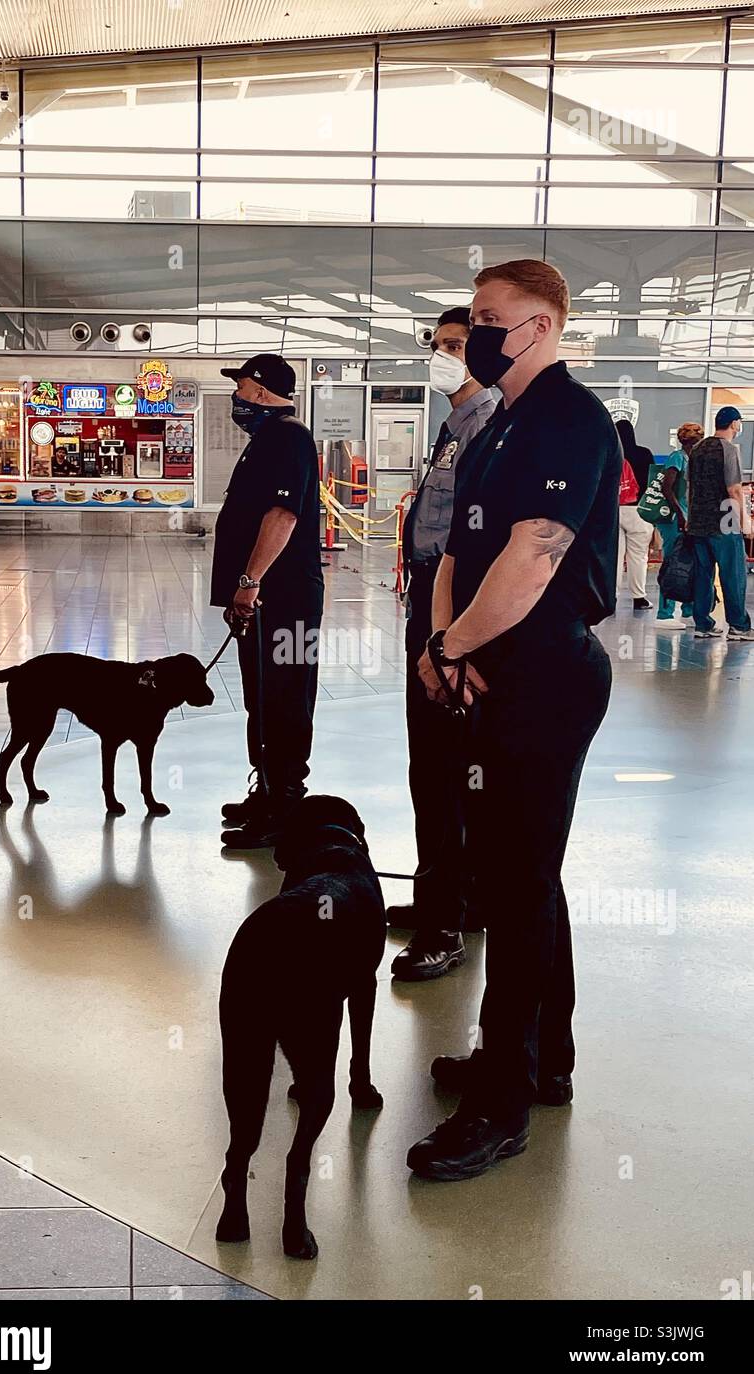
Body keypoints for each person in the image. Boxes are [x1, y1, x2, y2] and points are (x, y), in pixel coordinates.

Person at [405, 259, 619, 1182]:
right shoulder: (496, 425)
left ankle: (503, 1101)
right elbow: (459, 548)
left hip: (543, 677)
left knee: (519, 886)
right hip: (484, 668)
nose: (473, 335)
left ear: (539, 326)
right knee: (518, 877)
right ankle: (541, 1064)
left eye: (490, 320)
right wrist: (441, 639)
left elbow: (532, 562)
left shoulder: (571, 421)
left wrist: (453, 652)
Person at [390, 308, 496, 983]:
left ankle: (444, 923)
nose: (443, 357)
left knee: (442, 769)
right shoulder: (454, 427)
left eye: (456, 346)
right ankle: (454, 897)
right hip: (433, 596)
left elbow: (475, 546)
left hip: (454, 610)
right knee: (439, 767)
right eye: (438, 346)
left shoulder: (487, 427)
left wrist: (450, 639)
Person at [210, 353, 325, 848]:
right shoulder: (267, 439)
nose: (235, 397)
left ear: (258, 390)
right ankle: (268, 787)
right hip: (265, 598)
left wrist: (250, 579)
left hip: (286, 598)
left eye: (239, 387)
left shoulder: (288, 436)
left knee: (285, 694)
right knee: (262, 694)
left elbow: (283, 515)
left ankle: (285, 802)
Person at [688, 406, 753, 641]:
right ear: (734, 424)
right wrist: (745, 522)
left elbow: (691, 487)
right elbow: (734, 489)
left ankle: (703, 623)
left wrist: (690, 519)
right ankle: (739, 626)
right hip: (724, 522)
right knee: (733, 574)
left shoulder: (697, 449)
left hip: (698, 522)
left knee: (703, 575)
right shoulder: (729, 449)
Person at [643, 421, 703, 630]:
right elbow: (666, 487)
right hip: (675, 520)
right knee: (672, 563)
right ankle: (665, 612)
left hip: (687, 517)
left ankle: (687, 608)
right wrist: (680, 514)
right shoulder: (677, 458)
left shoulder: (690, 459)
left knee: (686, 561)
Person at [615, 418, 655, 612]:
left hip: (614, 511)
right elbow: (654, 483)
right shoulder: (644, 454)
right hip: (639, 511)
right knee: (638, 556)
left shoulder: (611, 453)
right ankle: (639, 598)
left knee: (615, 556)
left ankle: (611, 597)